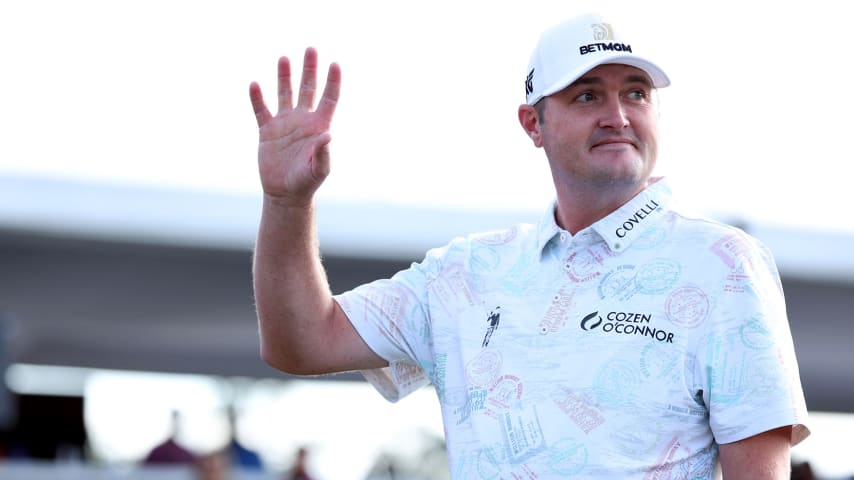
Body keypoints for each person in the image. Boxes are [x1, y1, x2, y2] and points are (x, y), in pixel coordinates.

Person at [248, 12, 810, 478]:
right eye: (587, 95)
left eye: (635, 93)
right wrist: (286, 204)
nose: (617, 116)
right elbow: (301, 342)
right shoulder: (466, 273)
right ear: (532, 124)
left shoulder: (722, 263)